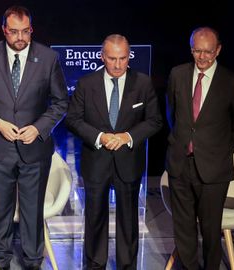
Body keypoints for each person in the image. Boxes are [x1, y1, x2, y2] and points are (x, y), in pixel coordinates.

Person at [0, 6, 68, 270]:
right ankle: (1, 259)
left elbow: (60, 102)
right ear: (4, 30)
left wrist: (39, 127)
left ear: (31, 29)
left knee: (33, 209)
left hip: (35, 147)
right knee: (0, 208)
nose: (20, 37)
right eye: (14, 32)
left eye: (25, 31)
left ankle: (33, 260)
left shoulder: (48, 57)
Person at [66, 34, 162, 269]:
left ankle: (127, 265)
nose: (118, 65)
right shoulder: (86, 84)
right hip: (96, 161)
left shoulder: (142, 83)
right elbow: (73, 119)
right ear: (102, 57)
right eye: (112, 58)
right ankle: (95, 264)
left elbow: (154, 121)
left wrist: (127, 137)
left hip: (128, 162)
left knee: (128, 220)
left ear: (129, 56)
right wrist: (100, 137)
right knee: (95, 217)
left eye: (123, 58)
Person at [166, 26, 234, 270]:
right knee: (184, 228)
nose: (202, 57)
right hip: (181, 164)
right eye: (197, 51)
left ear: (218, 50)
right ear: (191, 49)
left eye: (208, 52)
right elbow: (172, 114)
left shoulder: (232, 83)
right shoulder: (177, 75)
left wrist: (217, 152)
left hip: (214, 170)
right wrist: (184, 144)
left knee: (211, 232)